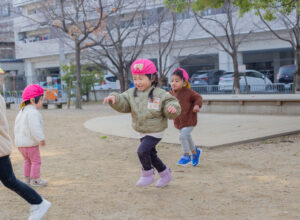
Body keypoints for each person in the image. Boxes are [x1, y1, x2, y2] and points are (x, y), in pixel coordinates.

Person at [103, 59, 181, 187]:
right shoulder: (131, 93)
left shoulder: (159, 93)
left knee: (142, 151)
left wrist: (172, 108)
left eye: (141, 78)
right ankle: (165, 175)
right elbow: (123, 101)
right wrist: (115, 99)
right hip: (142, 130)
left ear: (152, 78)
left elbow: (170, 102)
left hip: (156, 130)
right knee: (151, 155)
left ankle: (147, 174)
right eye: (135, 79)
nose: (138, 82)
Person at [0, 93, 51, 220]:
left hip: (10, 146)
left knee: (11, 179)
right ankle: (35, 189)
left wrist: (39, 139)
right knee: (30, 164)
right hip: (23, 145)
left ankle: (37, 197)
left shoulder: (26, 111)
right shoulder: (29, 111)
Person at [14, 84, 48, 187]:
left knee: (27, 161)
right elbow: (35, 128)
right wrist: (41, 138)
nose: (42, 102)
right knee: (36, 161)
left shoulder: (21, 112)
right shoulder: (33, 112)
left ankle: (27, 179)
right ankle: (35, 179)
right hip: (30, 144)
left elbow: (17, 127)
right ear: (33, 100)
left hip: (20, 145)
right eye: (41, 100)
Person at [170, 68, 203, 166]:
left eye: (177, 81)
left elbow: (198, 97)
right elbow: (165, 100)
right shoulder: (172, 94)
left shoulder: (188, 92)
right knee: (187, 137)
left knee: (183, 136)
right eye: (172, 81)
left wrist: (197, 105)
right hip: (179, 121)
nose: (173, 83)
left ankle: (186, 155)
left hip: (189, 120)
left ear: (184, 83)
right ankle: (195, 153)